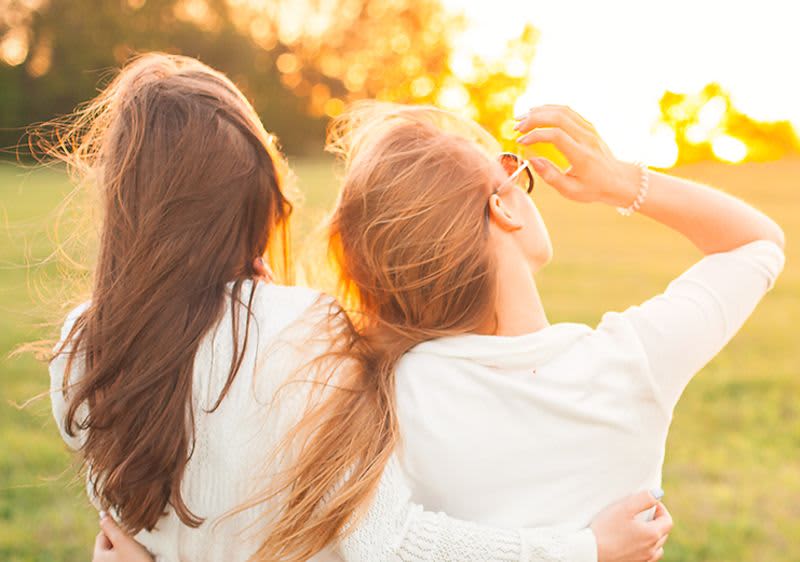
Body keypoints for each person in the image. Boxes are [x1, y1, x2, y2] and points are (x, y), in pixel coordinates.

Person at [47, 54, 671, 562]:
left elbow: (137, 530)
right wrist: (583, 549)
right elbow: (387, 543)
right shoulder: (301, 327)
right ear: (255, 194)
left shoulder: (78, 349)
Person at [318, 101, 784, 536]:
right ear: (500, 207)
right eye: (509, 170)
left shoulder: (385, 392)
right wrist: (621, 181)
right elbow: (756, 242)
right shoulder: (629, 365)